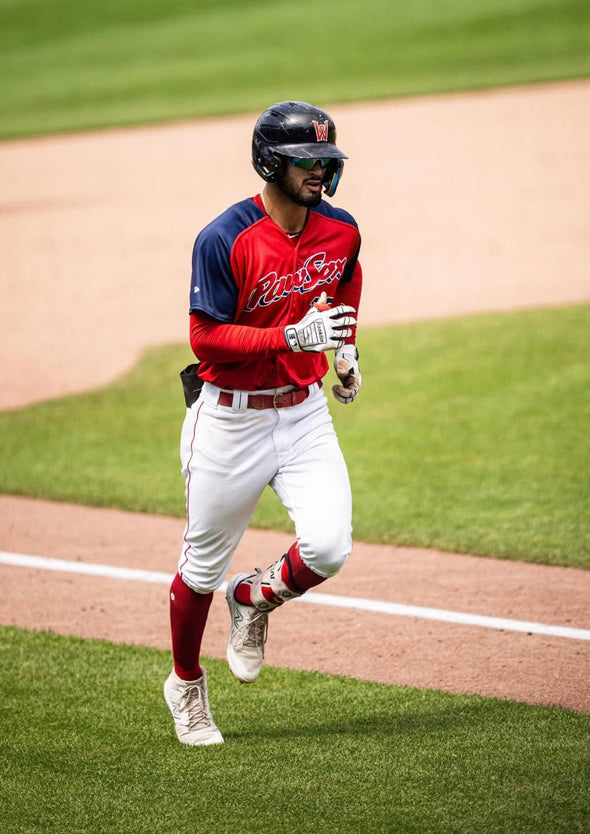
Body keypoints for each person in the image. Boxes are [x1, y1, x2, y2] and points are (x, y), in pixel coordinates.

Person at [163, 100, 363, 745]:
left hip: (303, 413)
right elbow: (204, 338)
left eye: (328, 161)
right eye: (309, 160)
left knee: (329, 545)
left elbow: (345, 284)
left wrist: (345, 349)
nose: (321, 172)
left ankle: (254, 598)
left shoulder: (342, 230)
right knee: (200, 568)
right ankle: (186, 685)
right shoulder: (225, 237)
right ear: (271, 161)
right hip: (229, 422)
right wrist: (289, 334)